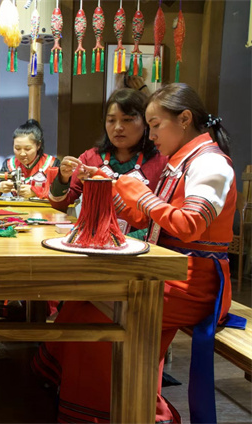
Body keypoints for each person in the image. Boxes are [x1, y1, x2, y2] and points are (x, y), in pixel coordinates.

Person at [34, 83, 236, 423]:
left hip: (195, 284)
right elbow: (146, 219)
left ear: (185, 119)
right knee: (81, 304)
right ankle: (116, 403)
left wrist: (139, 192)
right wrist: (111, 185)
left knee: (97, 315)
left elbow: (189, 226)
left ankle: (119, 411)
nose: (152, 135)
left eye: (155, 125)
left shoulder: (211, 163)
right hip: (169, 273)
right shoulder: (181, 161)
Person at [49, 88, 168, 236]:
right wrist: (63, 178)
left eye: (127, 120)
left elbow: (162, 221)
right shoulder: (90, 158)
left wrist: (124, 241)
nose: (118, 127)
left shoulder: (161, 162)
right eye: (111, 120)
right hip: (91, 243)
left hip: (141, 246)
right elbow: (59, 205)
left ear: (145, 123)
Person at [0, 119, 60, 199]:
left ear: (38, 145)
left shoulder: (52, 164)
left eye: (27, 149)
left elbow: (60, 193)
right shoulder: (9, 165)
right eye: (17, 148)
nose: (22, 154)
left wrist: (36, 192)